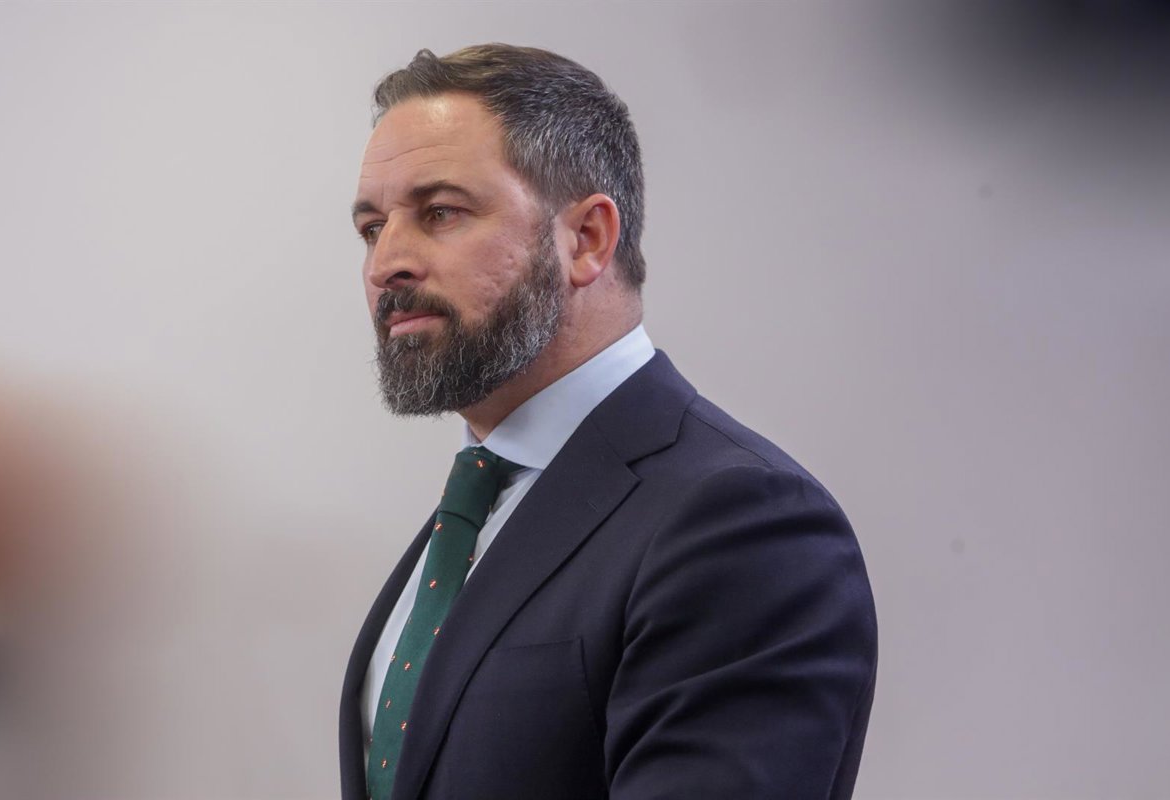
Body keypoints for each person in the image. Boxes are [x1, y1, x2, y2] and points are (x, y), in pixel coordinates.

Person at [339, 44, 877, 800]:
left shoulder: (744, 524)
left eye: (440, 213)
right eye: (371, 227)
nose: (384, 263)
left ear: (587, 239)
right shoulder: (470, 516)